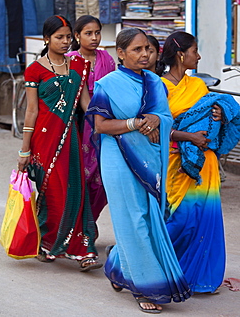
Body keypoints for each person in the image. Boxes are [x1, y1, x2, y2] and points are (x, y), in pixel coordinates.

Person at [86, 28, 192, 313]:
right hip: (117, 160)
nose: (145, 54)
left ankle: (117, 264)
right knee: (134, 218)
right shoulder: (107, 84)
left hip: (151, 160)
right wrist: (136, 124)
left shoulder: (156, 83)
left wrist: (155, 121)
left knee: (149, 215)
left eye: (148, 48)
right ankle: (145, 286)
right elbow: (100, 126)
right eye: (137, 49)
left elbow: (165, 117)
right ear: (120, 53)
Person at [17, 15, 103, 271]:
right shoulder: (35, 70)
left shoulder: (79, 66)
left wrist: (110, 123)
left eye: (68, 37)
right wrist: (24, 149)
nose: (66, 42)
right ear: (46, 39)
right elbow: (32, 111)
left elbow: (86, 104)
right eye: (59, 37)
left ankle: (83, 249)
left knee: (76, 190)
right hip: (44, 141)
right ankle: (47, 242)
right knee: (53, 194)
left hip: (70, 139)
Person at [158, 31, 240, 293]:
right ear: (181, 54)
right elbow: (154, 128)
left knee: (205, 218)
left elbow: (209, 123)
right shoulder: (159, 87)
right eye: (195, 51)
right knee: (180, 220)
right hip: (175, 162)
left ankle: (196, 277)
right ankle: (132, 262)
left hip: (206, 161)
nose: (199, 56)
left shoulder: (198, 86)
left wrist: (218, 115)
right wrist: (187, 136)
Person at [67, 15, 115, 223]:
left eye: (97, 32)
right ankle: (76, 227)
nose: (94, 38)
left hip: (104, 121)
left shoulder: (107, 58)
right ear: (77, 36)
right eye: (88, 33)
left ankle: (88, 223)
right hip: (77, 123)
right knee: (79, 176)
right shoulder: (69, 59)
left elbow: (114, 89)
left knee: (102, 179)